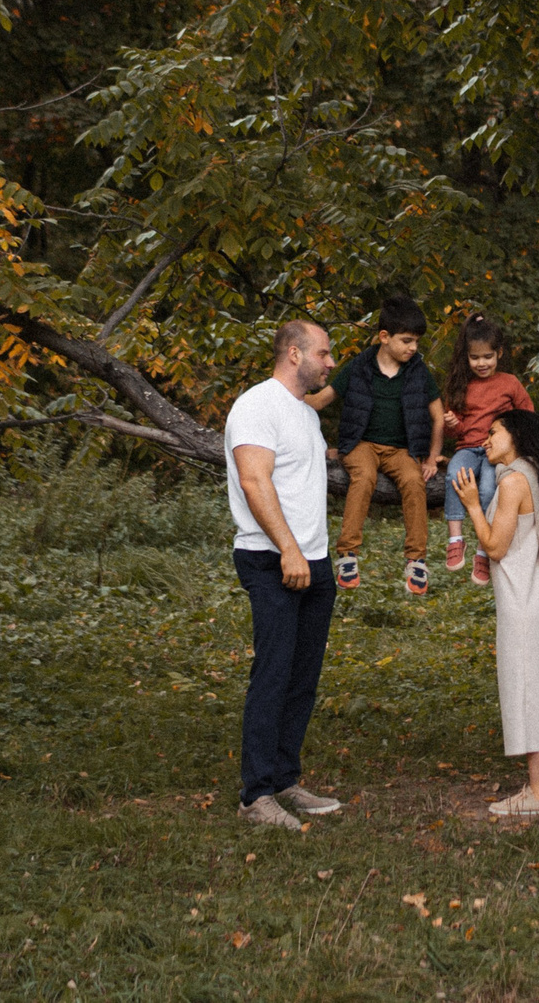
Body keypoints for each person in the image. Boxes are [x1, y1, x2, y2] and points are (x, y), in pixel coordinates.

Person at [226, 319, 345, 832]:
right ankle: (256, 796)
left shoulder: (304, 414)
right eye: (325, 352)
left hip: (312, 561)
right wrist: (289, 551)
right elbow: (255, 482)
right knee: (273, 673)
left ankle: (283, 779)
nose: (331, 361)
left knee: (302, 677)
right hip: (271, 558)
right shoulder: (257, 405)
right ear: (295, 354)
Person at [454, 408, 539, 816]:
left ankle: (538, 793)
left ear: (516, 436)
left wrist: (473, 505)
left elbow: (495, 547)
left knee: (529, 691)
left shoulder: (513, 482)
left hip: (524, 601)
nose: (486, 440)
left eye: (494, 432)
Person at [310, 294, 447, 597]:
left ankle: (416, 560)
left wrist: (432, 458)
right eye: (407, 340)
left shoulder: (419, 372)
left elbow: (438, 417)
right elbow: (319, 400)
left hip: (401, 450)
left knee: (414, 482)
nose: (413, 348)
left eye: (416, 342)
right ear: (384, 337)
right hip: (362, 445)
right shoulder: (358, 367)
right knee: (364, 478)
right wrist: (282, 395)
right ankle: (347, 554)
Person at [441, 313, 536, 585]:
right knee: (454, 475)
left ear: (499, 354)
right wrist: (452, 423)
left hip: (496, 450)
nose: (481, 363)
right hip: (468, 448)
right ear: (466, 357)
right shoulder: (461, 384)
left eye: (487, 357)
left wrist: (516, 443)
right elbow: (455, 431)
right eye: (475, 358)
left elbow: (526, 414)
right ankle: (455, 538)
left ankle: (484, 549)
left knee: (486, 489)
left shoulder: (509, 382)